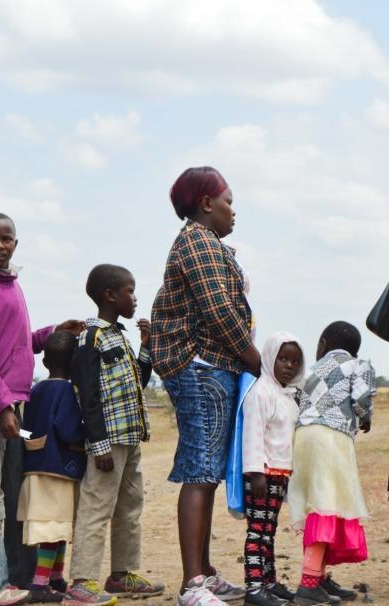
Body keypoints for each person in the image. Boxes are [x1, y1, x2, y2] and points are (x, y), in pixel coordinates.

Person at [0, 212, 83, 606]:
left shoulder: (11, 285)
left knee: (11, 496)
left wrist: (51, 333)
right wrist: (2, 406)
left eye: (6, 238)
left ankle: (12, 577)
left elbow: (15, 343)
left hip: (11, 404)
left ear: (16, 242)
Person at [151, 167, 259, 606]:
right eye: (229, 200)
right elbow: (219, 311)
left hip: (212, 365)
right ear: (206, 203)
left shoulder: (209, 243)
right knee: (200, 472)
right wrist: (257, 359)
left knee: (209, 473)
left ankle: (206, 572)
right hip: (201, 365)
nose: (234, 209)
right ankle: (192, 583)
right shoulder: (197, 241)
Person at [67, 264, 163, 604]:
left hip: (130, 437)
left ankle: (121, 574)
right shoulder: (91, 338)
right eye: (130, 291)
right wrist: (99, 444)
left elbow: (138, 379)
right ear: (110, 295)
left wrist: (147, 346)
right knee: (96, 507)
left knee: (129, 506)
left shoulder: (119, 336)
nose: (135, 298)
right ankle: (81, 581)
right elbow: (86, 393)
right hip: (107, 442)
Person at [288, 321, 374, 605]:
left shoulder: (308, 369)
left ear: (323, 344)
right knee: (326, 507)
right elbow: (362, 398)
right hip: (333, 438)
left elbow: (296, 397)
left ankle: (319, 577)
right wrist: (365, 417)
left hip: (303, 437)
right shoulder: (357, 365)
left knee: (315, 503)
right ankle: (309, 581)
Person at [16, 331, 86, 603]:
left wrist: (32, 443)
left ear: (44, 362)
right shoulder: (68, 392)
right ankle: (40, 583)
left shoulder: (35, 390)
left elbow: (25, 430)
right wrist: (86, 436)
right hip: (59, 469)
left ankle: (56, 579)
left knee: (55, 527)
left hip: (35, 466)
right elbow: (68, 430)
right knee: (53, 528)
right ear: (74, 365)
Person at [240, 332, 303, 606]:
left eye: (295, 361)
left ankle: (270, 583)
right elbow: (253, 435)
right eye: (283, 359)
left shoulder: (287, 396)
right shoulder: (261, 392)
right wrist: (255, 473)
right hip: (262, 476)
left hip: (280, 475)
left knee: (269, 531)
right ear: (269, 358)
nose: (289, 365)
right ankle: (254, 588)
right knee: (257, 532)